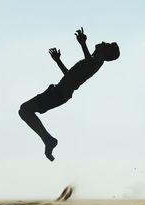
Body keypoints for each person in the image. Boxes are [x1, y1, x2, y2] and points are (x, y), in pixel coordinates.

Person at [19, 27, 120, 161]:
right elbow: (70, 76)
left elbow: (89, 63)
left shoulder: (98, 60)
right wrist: (58, 60)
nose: (102, 42)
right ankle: (47, 139)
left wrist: (83, 43)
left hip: (59, 94)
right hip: (58, 92)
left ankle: (48, 139)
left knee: (25, 110)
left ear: (106, 52)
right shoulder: (94, 60)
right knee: (24, 110)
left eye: (106, 44)